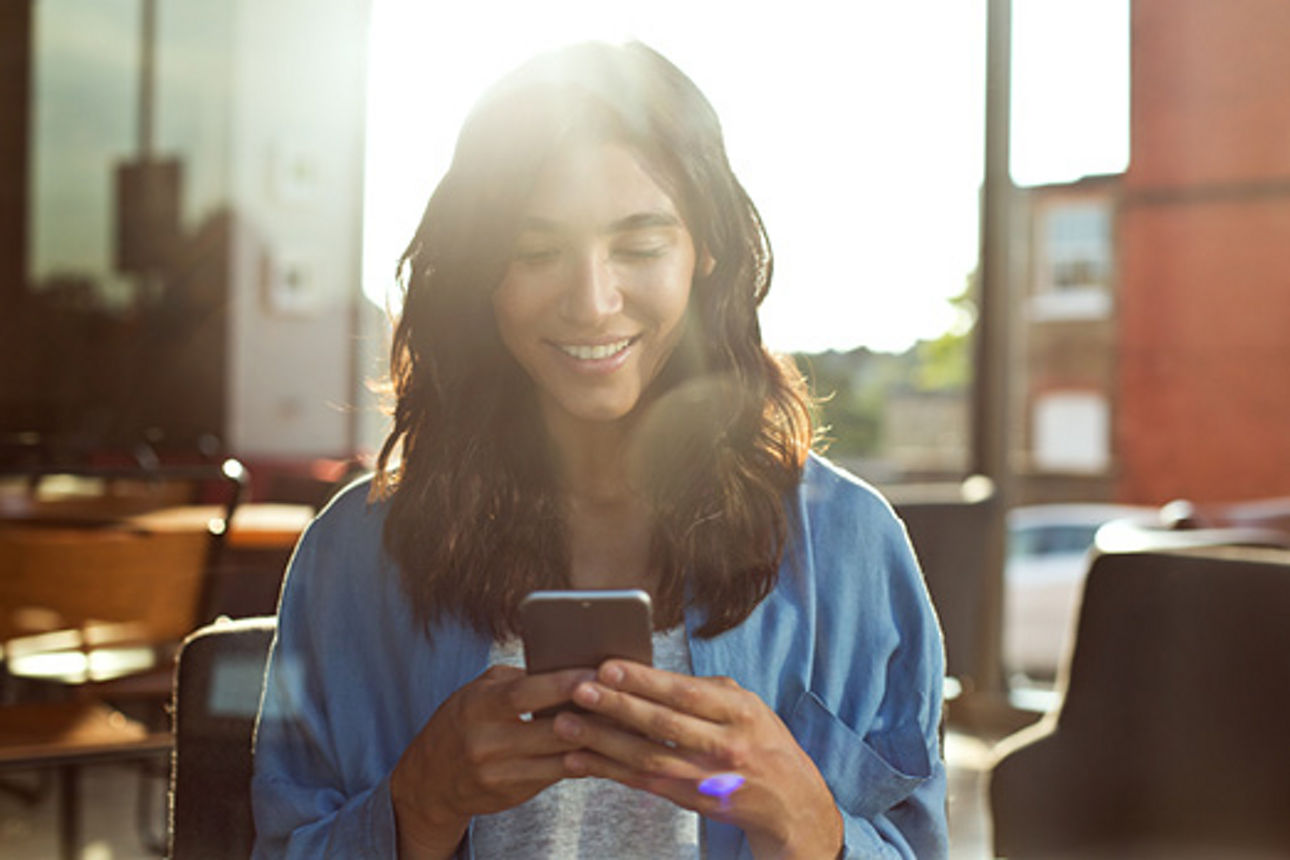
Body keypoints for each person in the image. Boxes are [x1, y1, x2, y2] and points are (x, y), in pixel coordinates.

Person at [251, 41, 947, 859]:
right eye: (535, 252)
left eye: (641, 247)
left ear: (705, 252)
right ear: (481, 270)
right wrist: (420, 807)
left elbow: (913, 841)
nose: (592, 301)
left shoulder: (849, 550)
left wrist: (808, 824)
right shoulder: (354, 556)